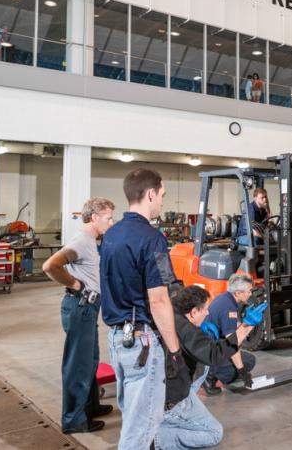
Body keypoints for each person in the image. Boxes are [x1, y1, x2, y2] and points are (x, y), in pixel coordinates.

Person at [100, 168, 189, 449]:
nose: (162, 202)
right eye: (162, 195)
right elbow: (160, 299)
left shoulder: (111, 235)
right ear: (150, 194)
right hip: (142, 342)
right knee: (141, 428)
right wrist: (175, 350)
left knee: (133, 416)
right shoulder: (152, 238)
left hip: (117, 339)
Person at [155, 285, 266, 449]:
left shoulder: (172, 315)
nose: (208, 313)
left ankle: (158, 423)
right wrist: (246, 326)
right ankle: (157, 439)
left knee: (204, 363)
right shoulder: (187, 330)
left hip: (161, 388)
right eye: (205, 309)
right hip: (172, 400)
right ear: (193, 312)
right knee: (214, 433)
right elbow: (215, 355)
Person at [43, 197, 115, 434]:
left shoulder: (92, 241)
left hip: (88, 308)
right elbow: (50, 265)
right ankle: (74, 421)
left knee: (90, 360)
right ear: (94, 217)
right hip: (80, 306)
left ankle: (90, 407)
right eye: (108, 218)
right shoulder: (82, 240)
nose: (111, 222)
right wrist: (76, 284)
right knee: (77, 365)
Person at [203, 274, 260, 394]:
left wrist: (248, 323)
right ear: (238, 293)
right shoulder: (228, 308)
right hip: (211, 353)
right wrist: (242, 372)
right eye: (249, 291)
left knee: (247, 359)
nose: (250, 294)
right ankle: (210, 377)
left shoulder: (224, 298)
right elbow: (232, 344)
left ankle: (217, 370)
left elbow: (236, 332)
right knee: (248, 362)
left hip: (210, 347)